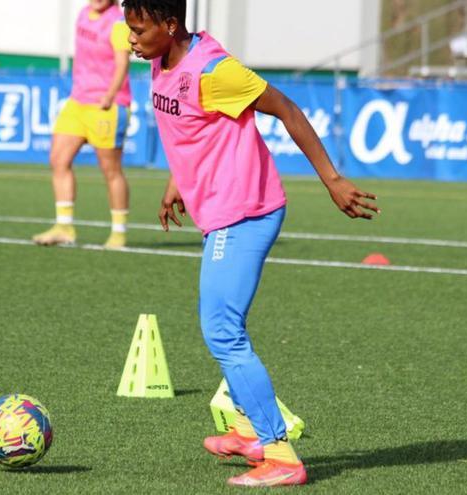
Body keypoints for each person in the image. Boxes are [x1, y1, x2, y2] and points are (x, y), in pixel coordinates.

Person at [123, 0, 380, 488]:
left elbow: (285, 108)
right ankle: (246, 430)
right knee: (224, 323)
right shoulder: (161, 60)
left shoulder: (215, 72)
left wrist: (333, 180)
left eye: (138, 29)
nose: (130, 39)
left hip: (246, 212)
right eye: (128, 29)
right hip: (221, 209)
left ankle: (280, 454)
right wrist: (180, 180)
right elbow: (193, 130)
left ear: (170, 25)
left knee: (221, 329)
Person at [32, 0, 133, 249]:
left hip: (107, 104)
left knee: (111, 171)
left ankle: (118, 232)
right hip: (77, 102)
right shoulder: (82, 15)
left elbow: (122, 64)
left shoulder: (119, 23)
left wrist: (109, 95)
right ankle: (64, 227)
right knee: (58, 159)